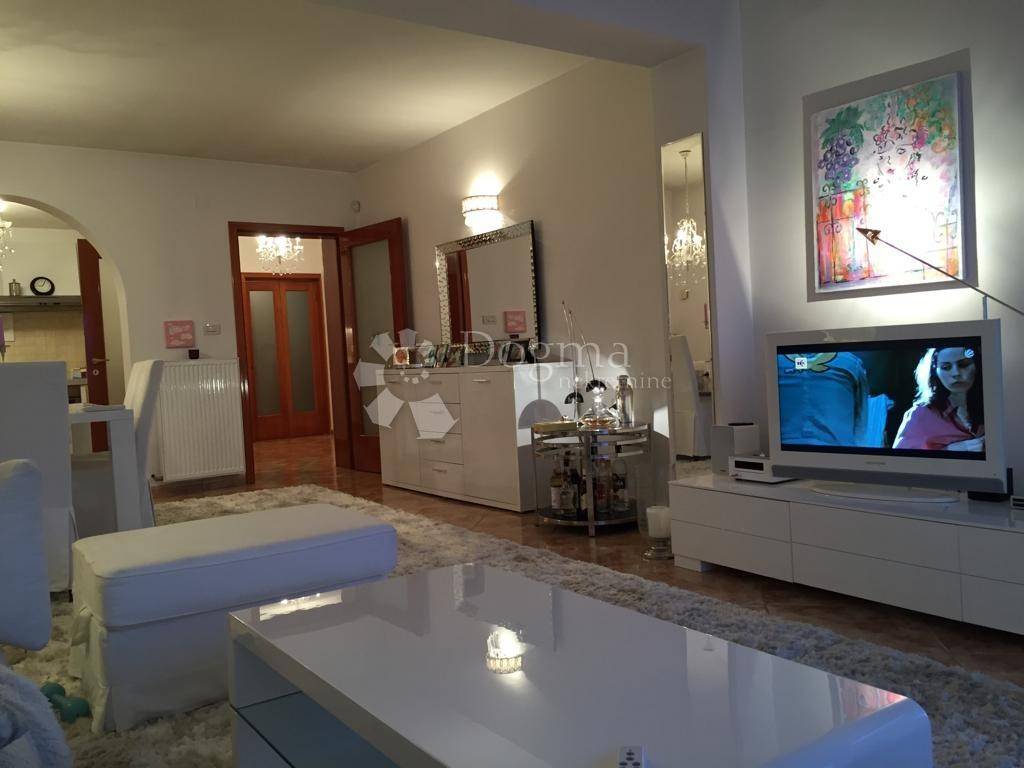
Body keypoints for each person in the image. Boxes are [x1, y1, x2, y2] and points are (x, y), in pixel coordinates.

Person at [893, 346, 984, 452]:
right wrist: (953, 449)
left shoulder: (992, 404)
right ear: (935, 371)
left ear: (977, 366)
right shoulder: (921, 414)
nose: (956, 373)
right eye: (946, 367)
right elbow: (901, 458)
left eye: (963, 365)